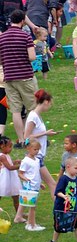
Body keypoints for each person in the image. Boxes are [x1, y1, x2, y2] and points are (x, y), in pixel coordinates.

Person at [0, 10, 38, 143]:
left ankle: (21, 139)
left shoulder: (2, 37)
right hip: (25, 76)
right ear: (22, 21)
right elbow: (32, 57)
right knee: (32, 108)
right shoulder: (25, 36)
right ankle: (30, 138)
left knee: (15, 110)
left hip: (9, 77)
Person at [50, 157, 77, 242]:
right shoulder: (63, 179)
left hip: (72, 205)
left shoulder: (75, 178)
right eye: (76, 168)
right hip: (61, 207)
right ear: (68, 167)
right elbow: (57, 192)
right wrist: (64, 196)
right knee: (59, 226)